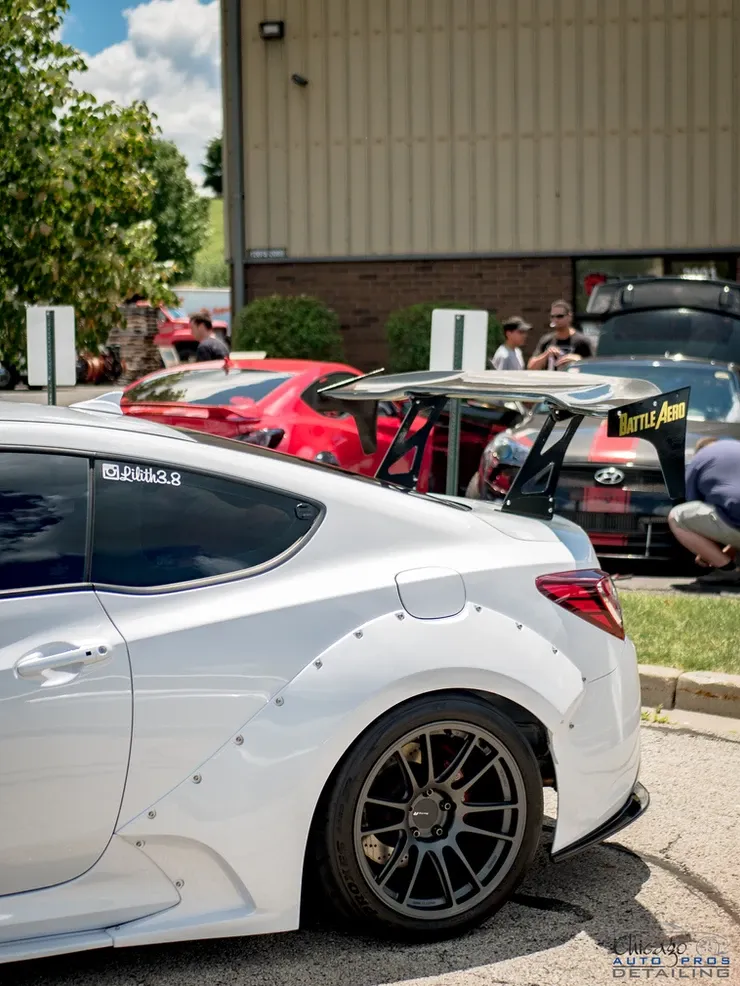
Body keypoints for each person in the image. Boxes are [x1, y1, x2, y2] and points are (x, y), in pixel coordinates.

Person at [668, 436, 740, 585]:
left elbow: (696, 507)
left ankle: (727, 571)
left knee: (678, 517)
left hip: (734, 517)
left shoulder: (699, 459)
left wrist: (707, 551)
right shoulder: (735, 446)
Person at [527, 299, 593, 370]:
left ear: (569, 316)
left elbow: (593, 366)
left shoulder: (582, 341)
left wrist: (578, 360)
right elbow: (530, 367)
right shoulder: (546, 340)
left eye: (559, 316)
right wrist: (546, 355)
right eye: (552, 316)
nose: (555, 320)